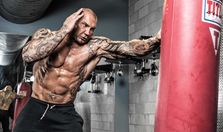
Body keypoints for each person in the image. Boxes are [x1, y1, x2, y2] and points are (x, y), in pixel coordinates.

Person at [13, 8, 161, 132]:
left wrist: (157, 38)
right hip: (36, 106)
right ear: (74, 22)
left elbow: (129, 48)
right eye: (84, 25)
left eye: (92, 29)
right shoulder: (45, 34)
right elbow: (28, 55)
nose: (88, 32)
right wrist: (64, 29)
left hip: (64, 111)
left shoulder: (96, 46)